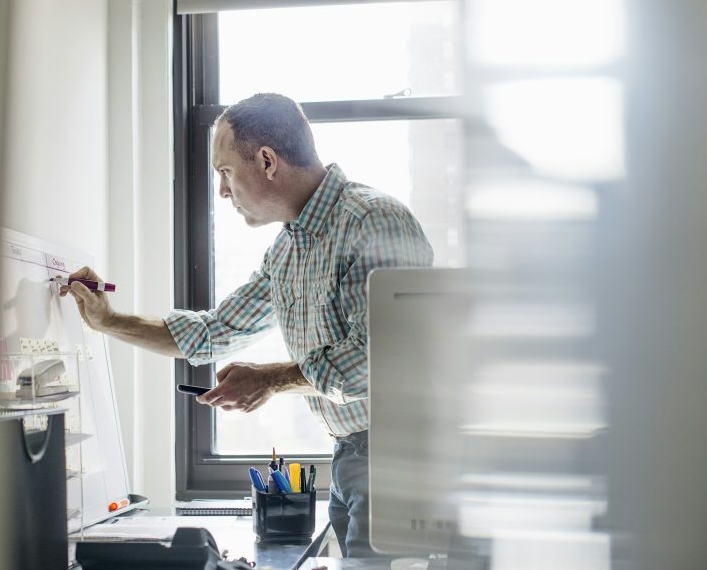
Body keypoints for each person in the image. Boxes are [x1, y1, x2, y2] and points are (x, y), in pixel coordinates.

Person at [61, 93, 433, 557]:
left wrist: (272, 380)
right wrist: (108, 321)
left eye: (224, 172)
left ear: (266, 161)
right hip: (352, 456)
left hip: (398, 458)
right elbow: (214, 331)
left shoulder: (372, 221)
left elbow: (376, 362)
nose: (221, 190)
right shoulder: (287, 250)